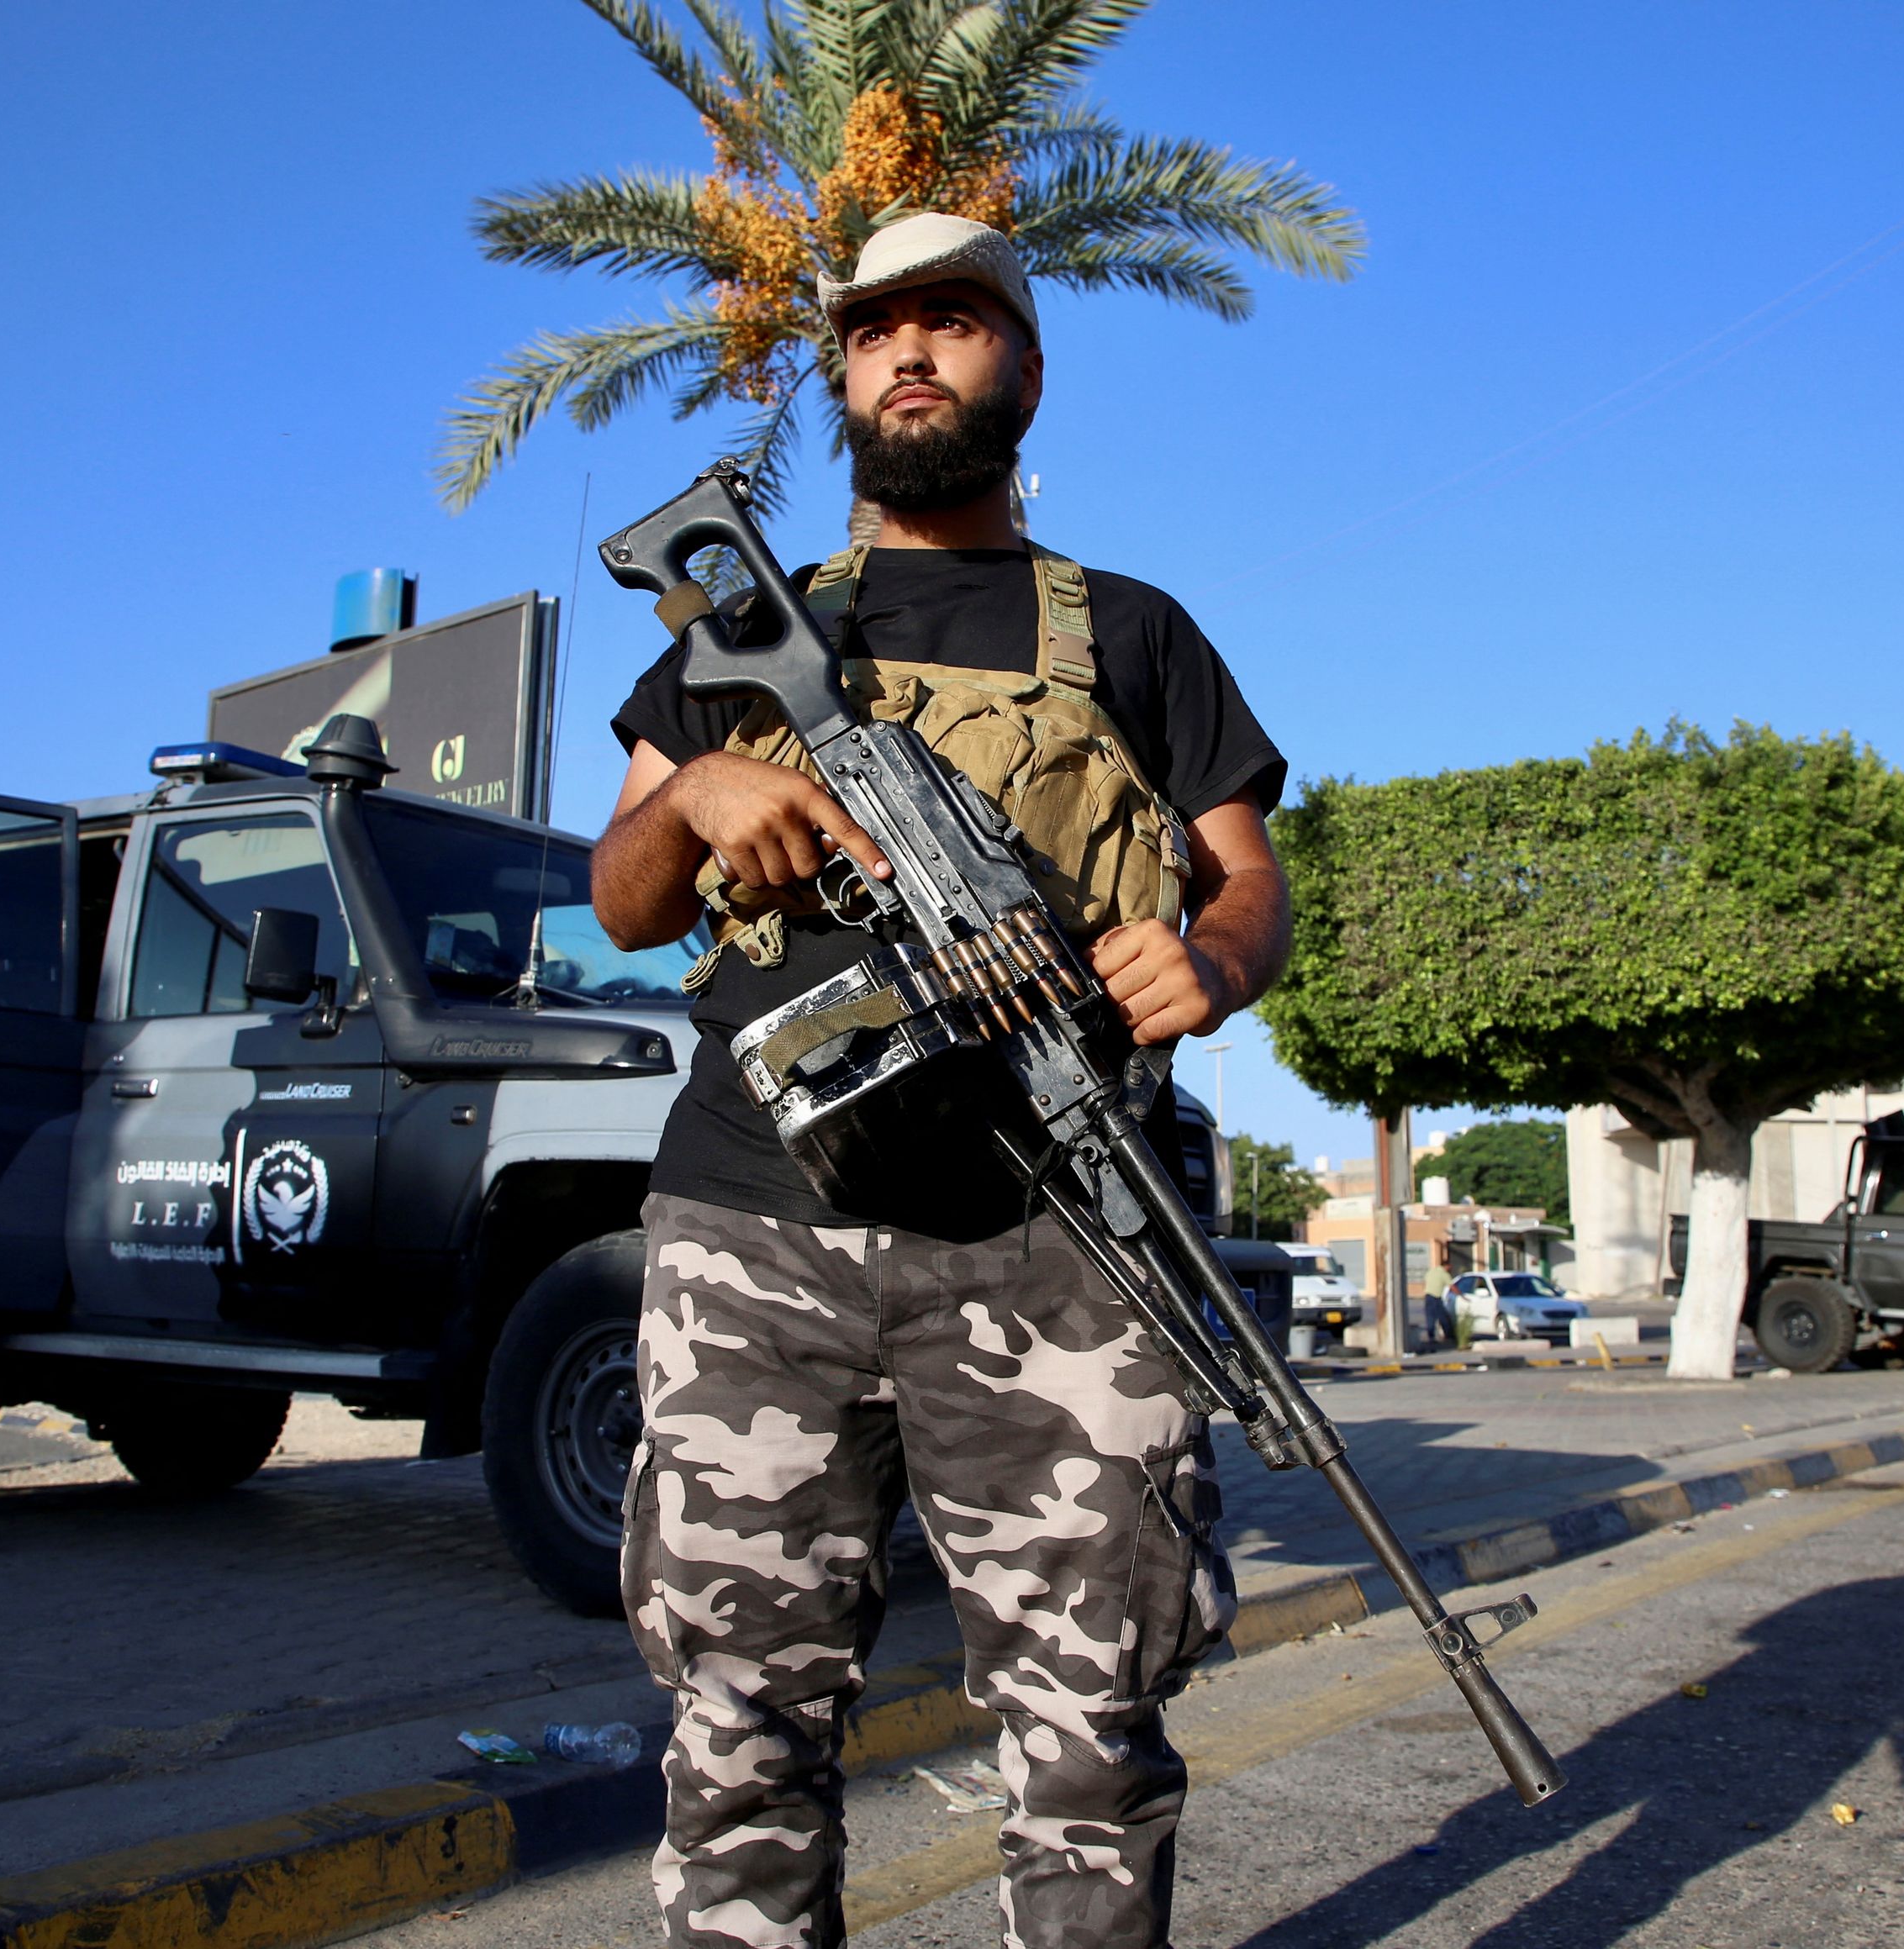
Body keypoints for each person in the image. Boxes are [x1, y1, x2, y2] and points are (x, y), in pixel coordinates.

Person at [593, 213, 1291, 1949]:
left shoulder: (1131, 630)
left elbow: (1246, 879)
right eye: (875, 327)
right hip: (758, 1221)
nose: (909, 350)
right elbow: (621, 900)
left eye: (955, 319)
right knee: (738, 1719)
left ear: (1024, 369)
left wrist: (1208, 962)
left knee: (1093, 1724)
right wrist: (694, 799)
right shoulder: (733, 626)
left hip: (1057, 1229)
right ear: (842, 376)